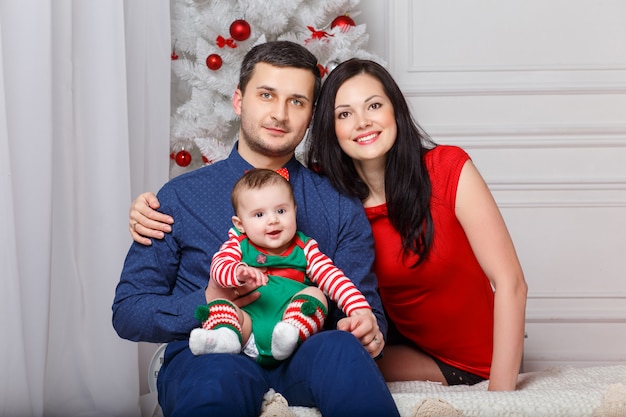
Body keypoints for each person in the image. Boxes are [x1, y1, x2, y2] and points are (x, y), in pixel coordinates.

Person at [130, 57, 528, 392]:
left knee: (346, 362)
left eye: (374, 106)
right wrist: (146, 211)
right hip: (400, 345)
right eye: (344, 113)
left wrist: (501, 399)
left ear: (395, 110)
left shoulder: (429, 173)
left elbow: (510, 282)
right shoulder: (328, 191)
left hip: (475, 351)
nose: (361, 123)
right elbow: (132, 309)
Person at [113, 41, 400, 417]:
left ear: (311, 115)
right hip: (212, 357)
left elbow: (367, 309)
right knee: (216, 375)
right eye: (267, 95)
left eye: (297, 101)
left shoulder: (338, 204)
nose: (279, 114)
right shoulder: (180, 198)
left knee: (341, 350)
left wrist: (366, 329)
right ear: (239, 100)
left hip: (303, 354)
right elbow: (129, 311)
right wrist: (210, 300)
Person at [190, 168, 373, 369]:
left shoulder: (305, 248)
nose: (273, 220)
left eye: (281, 211)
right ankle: (224, 337)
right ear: (240, 224)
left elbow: (334, 278)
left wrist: (360, 310)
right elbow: (219, 267)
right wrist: (237, 272)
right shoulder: (238, 245)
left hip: (291, 333)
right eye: (259, 214)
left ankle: (291, 331)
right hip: (248, 327)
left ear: (294, 210)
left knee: (316, 293)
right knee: (223, 306)